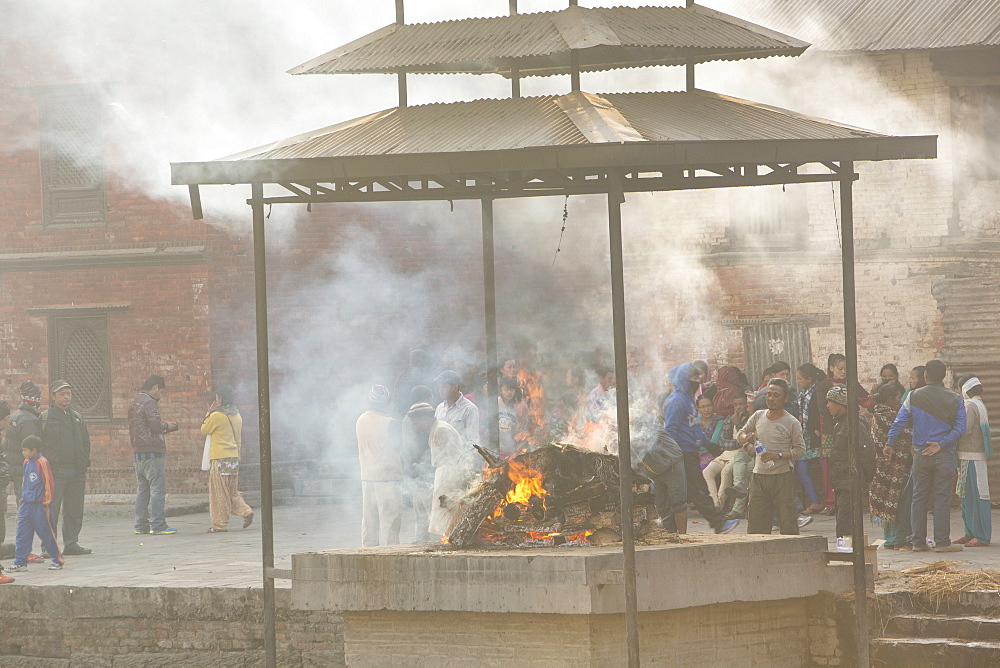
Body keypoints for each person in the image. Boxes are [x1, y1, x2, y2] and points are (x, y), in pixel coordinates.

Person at [887, 359, 966, 553]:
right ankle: (941, 543)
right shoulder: (955, 398)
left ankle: (918, 543)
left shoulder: (913, 396)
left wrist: (890, 443)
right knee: (941, 499)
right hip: (945, 454)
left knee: (918, 497)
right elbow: (960, 428)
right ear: (944, 376)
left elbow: (899, 422)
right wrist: (942, 444)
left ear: (925, 376)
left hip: (920, 453)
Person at [663, 362, 739, 534]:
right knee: (697, 491)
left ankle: (669, 527)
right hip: (681, 453)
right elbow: (671, 431)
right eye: (693, 378)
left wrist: (709, 445)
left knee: (693, 491)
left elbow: (695, 429)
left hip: (690, 452)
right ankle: (718, 523)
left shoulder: (689, 400)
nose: (697, 381)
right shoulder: (676, 402)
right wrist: (674, 454)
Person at [738, 378, 806, 535]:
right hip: (758, 478)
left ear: (785, 398)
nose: (771, 398)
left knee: (788, 523)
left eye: (776, 395)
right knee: (756, 525)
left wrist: (778, 455)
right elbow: (741, 434)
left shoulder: (791, 422)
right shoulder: (758, 416)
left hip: (782, 477)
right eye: (769, 394)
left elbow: (800, 451)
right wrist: (746, 440)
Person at [41, 380, 92, 556]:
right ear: (54, 396)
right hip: (55, 471)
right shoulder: (46, 417)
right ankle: (48, 546)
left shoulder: (77, 417)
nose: (66, 397)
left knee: (74, 509)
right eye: (62, 394)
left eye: (68, 393)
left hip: (76, 471)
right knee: (51, 509)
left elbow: (85, 442)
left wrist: (84, 462)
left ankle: (71, 543)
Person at [128, 375, 180, 536]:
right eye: (161, 391)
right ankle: (158, 524)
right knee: (157, 489)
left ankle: (140, 524)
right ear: (155, 387)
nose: (161, 395)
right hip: (152, 452)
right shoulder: (149, 402)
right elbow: (156, 426)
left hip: (138, 453)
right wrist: (169, 426)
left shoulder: (135, 401)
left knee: (142, 490)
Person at [5, 435, 64, 574]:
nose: (23, 453)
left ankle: (57, 559)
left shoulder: (42, 462)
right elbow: (26, 481)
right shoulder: (26, 462)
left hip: (39, 505)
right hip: (26, 504)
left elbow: (49, 483)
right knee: (22, 534)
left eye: (25, 450)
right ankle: (20, 562)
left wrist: (46, 501)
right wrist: (23, 498)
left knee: (46, 533)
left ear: (34, 450)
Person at [408, 402, 468, 537]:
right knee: (441, 511)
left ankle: (447, 538)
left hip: (449, 473)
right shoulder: (436, 428)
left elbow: (454, 457)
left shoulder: (441, 429)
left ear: (424, 418)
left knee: (445, 510)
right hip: (444, 471)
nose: (415, 427)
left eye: (416, 423)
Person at [201, 385, 254, 533]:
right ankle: (246, 511)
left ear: (220, 399)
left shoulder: (216, 416)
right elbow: (238, 439)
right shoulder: (237, 416)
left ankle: (219, 525)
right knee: (232, 491)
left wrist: (209, 412)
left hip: (219, 458)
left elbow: (204, 429)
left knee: (219, 492)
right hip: (233, 457)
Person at [826, 385, 876, 539]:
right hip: (842, 481)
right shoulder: (840, 422)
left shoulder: (854, 423)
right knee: (843, 522)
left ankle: (850, 555)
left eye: (831, 402)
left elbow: (865, 451)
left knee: (846, 524)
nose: (827, 405)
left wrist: (868, 476)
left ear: (842, 404)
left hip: (850, 480)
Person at [355, 385, 402, 547]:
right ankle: (391, 552)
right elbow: (400, 448)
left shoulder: (360, 419)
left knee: (369, 519)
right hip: (388, 478)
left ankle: (368, 551)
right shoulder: (390, 423)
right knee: (389, 520)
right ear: (386, 403)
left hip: (367, 477)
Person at [869, 381, 913, 550]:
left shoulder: (878, 414)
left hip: (883, 468)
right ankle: (900, 538)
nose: (901, 402)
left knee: (890, 502)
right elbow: (906, 435)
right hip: (895, 468)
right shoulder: (890, 416)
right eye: (898, 398)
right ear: (890, 399)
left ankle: (890, 538)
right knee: (900, 502)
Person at [631, 413, 687, 533]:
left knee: (678, 502)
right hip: (653, 469)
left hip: (671, 462)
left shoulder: (646, 420)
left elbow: (643, 441)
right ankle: (669, 533)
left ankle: (683, 537)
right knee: (660, 505)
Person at [955, 375, 992, 547]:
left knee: (974, 497)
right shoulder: (979, 404)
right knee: (968, 497)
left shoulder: (970, 405)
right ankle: (970, 532)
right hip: (972, 457)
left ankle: (981, 535)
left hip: (970, 458)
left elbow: (964, 430)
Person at [3, 381, 43, 530]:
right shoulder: (30, 420)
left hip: (15, 467)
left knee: (22, 502)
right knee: (27, 506)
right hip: (25, 470)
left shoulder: (16, 415)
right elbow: (32, 449)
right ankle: (25, 537)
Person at [401, 386, 434, 543]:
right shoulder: (417, 420)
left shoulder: (407, 419)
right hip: (424, 473)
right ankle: (430, 543)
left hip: (415, 472)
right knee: (429, 514)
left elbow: (406, 451)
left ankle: (421, 543)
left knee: (420, 515)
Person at [704, 393, 748, 508]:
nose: (738, 407)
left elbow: (747, 442)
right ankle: (715, 503)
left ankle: (720, 505)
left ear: (747, 404)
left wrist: (738, 424)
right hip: (726, 454)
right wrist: (738, 443)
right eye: (735, 405)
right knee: (707, 472)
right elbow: (722, 442)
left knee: (726, 472)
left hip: (739, 455)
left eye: (741, 404)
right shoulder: (729, 418)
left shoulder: (749, 419)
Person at [796, 363, 827, 515]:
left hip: (817, 436)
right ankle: (815, 501)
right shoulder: (803, 393)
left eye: (800, 378)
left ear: (810, 379)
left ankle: (828, 502)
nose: (798, 381)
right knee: (801, 468)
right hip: (805, 436)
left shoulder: (818, 391)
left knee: (825, 468)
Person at [435, 370, 480, 450]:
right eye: (439, 386)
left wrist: (466, 460)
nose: (440, 390)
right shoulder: (439, 408)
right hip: (441, 458)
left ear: (455, 388)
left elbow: (473, 440)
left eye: (444, 387)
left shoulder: (469, 409)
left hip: (460, 457)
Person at [498, 377, 529, 458]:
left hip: (513, 449)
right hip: (497, 448)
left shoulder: (520, 405)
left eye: (511, 390)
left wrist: (518, 440)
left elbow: (524, 428)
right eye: (506, 390)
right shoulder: (496, 403)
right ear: (500, 390)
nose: (509, 393)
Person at [696, 394, 724, 469]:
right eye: (702, 407)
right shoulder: (695, 420)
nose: (706, 409)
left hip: (711, 453)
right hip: (695, 453)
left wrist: (698, 444)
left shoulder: (719, 420)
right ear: (698, 409)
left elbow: (714, 442)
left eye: (709, 406)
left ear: (713, 406)